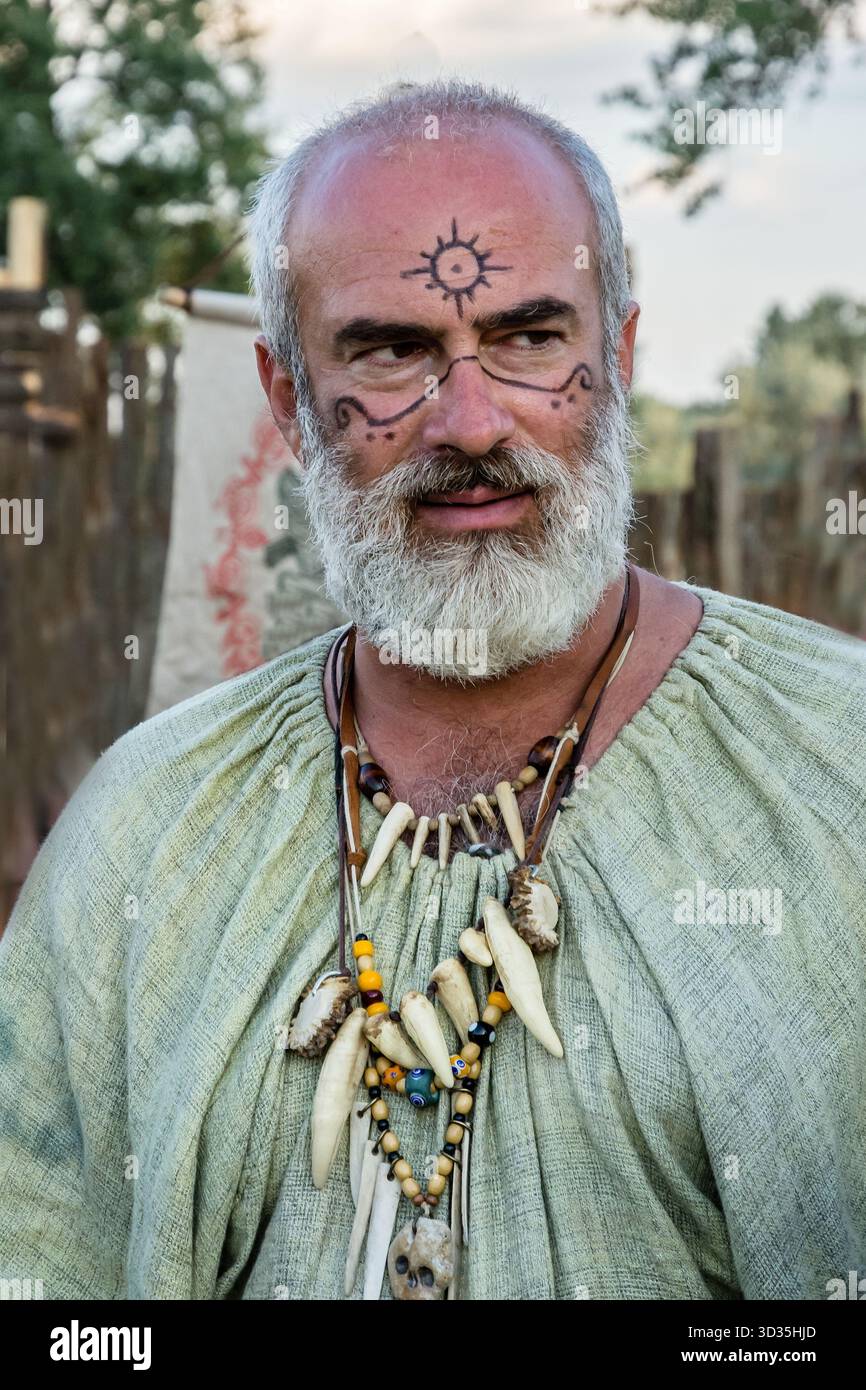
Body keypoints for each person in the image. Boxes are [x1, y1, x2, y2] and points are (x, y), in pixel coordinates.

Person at [1, 80, 864, 1302]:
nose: (467, 422)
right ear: (287, 400)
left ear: (617, 357)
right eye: (391, 350)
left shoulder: (839, 778)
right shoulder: (146, 830)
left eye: (528, 339)